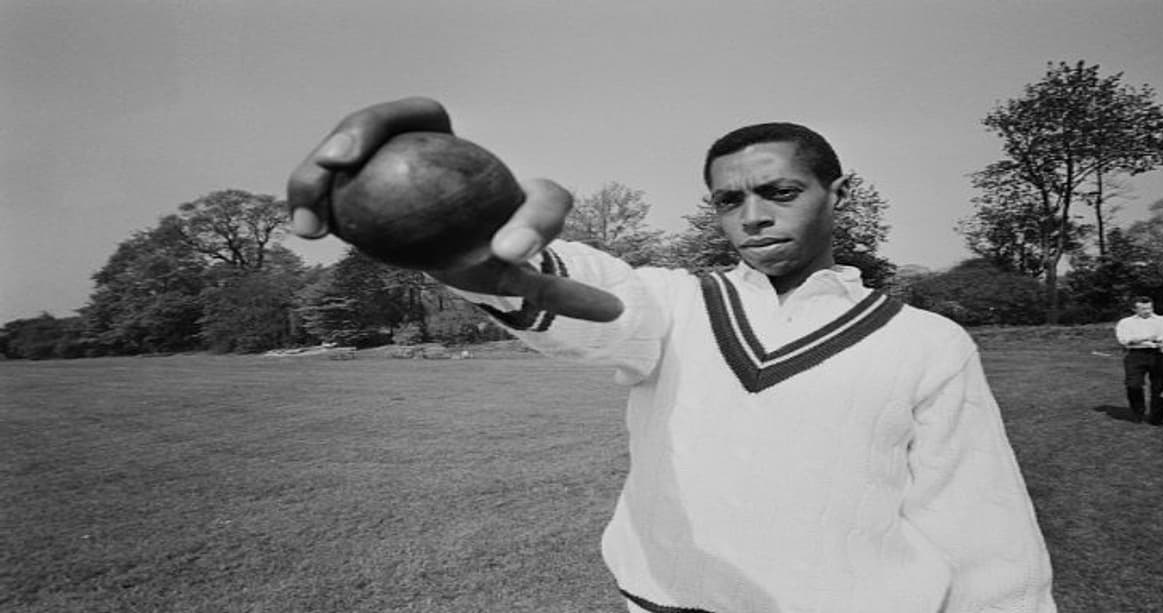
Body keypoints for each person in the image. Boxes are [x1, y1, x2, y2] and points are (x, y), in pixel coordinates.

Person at [287, 98, 1056, 612]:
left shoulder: (927, 342)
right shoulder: (680, 304)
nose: (753, 216)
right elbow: (602, 300)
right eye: (729, 200)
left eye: (780, 192)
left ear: (838, 195)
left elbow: (982, 534)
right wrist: (475, 248)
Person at [1114, 297, 1163, 425]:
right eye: (1143, 309)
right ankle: (1138, 412)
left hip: (1160, 355)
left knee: (1160, 386)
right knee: (1133, 385)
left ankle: (1157, 419)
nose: (1147, 311)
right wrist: (1148, 337)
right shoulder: (1125, 323)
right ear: (1134, 309)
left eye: (1149, 308)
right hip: (1136, 355)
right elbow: (1124, 340)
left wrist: (1137, 339)